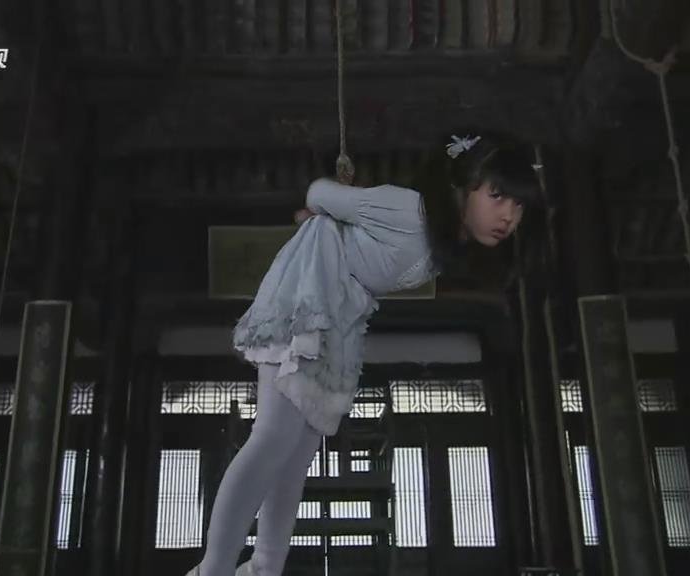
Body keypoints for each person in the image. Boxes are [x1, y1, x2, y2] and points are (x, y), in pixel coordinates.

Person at [186, 135, 539, 576]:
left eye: (519, 205)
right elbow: (318, 192)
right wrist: (330, 208)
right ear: (465, 186)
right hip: (307, 298)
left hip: (337, 319)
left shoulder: (441, 244)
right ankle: (214, 569)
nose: (508, 215)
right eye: (498, 195)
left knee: (296, 455)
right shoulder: (410, 210)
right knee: (273, 436)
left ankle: (264, 568)